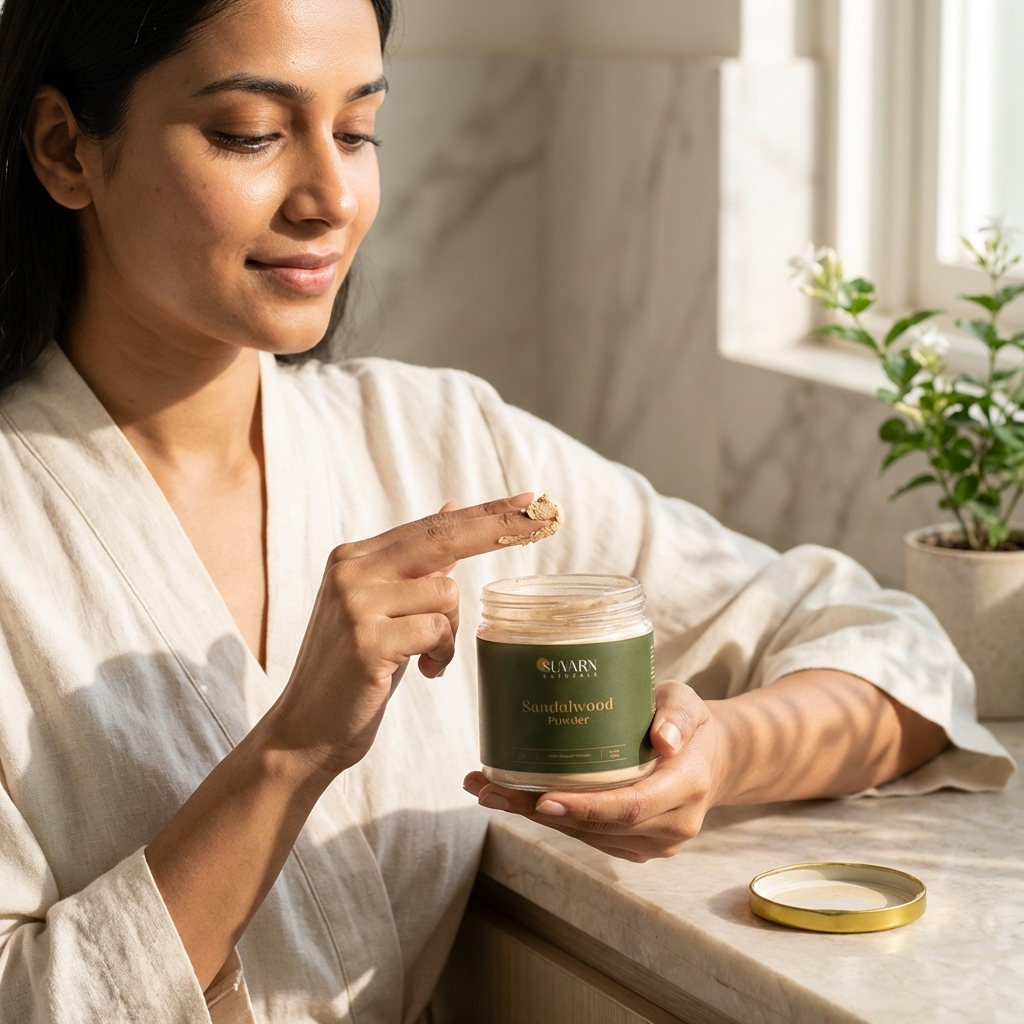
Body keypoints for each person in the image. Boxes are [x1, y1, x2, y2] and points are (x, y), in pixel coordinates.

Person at [0, 0, 1013, 1021]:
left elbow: (896, 655)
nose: (331, 195)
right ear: (65, 149)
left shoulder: (437, 445)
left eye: (357, 131)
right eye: (250, 134)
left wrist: (713, 756)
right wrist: (291, 752)